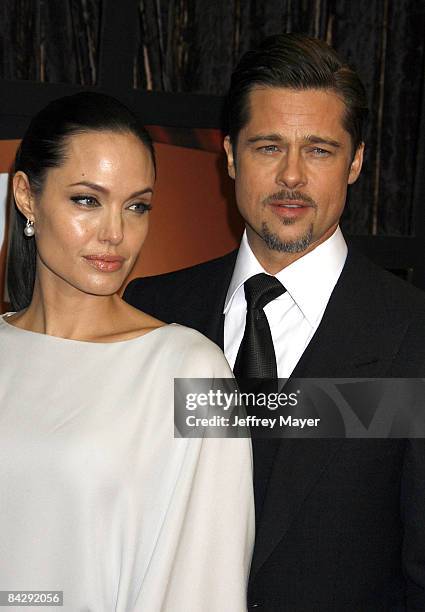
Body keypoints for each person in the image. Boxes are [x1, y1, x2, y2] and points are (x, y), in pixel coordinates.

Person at [124, 34, 425, 610]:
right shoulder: (150, 311)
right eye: (268, 147)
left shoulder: (411, 335)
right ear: (231, 156)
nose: (291, 177)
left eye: (318, 150)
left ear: (356, 162)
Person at [0, 92, 254, 611]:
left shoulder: (194, 371)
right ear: (27, 196)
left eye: (136, 206)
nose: (115, 233)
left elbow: (206, 585)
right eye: (87, 200)